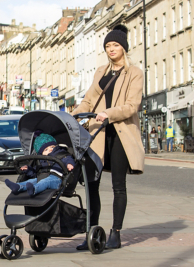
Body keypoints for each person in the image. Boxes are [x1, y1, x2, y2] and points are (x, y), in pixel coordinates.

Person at [71, 24, 144, 250]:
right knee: (91, 184)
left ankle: (116, 233)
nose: (111, 49)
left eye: (115, 45)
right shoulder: (101, 71)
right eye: (108, 46)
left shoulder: (134, 73)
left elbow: (132, 106)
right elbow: (89, 100)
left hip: (121, 134)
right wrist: (72, 116)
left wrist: (108, 113)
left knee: (118, 186)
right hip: (98, 134)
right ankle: (92, 232)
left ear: (124, 48)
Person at [4, 133, 75, 196]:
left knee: (45, 182)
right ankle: (18, 187)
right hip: (42, 177)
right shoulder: (40, 160)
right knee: (31, 181)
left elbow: (67, 158)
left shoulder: (60, 153)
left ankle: (34, 190)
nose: (50, 149)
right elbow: (35, 173)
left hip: (56, 179)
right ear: (41, 153)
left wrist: (69, 164)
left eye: (52, 147)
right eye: (46, 149)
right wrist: (28, 170)